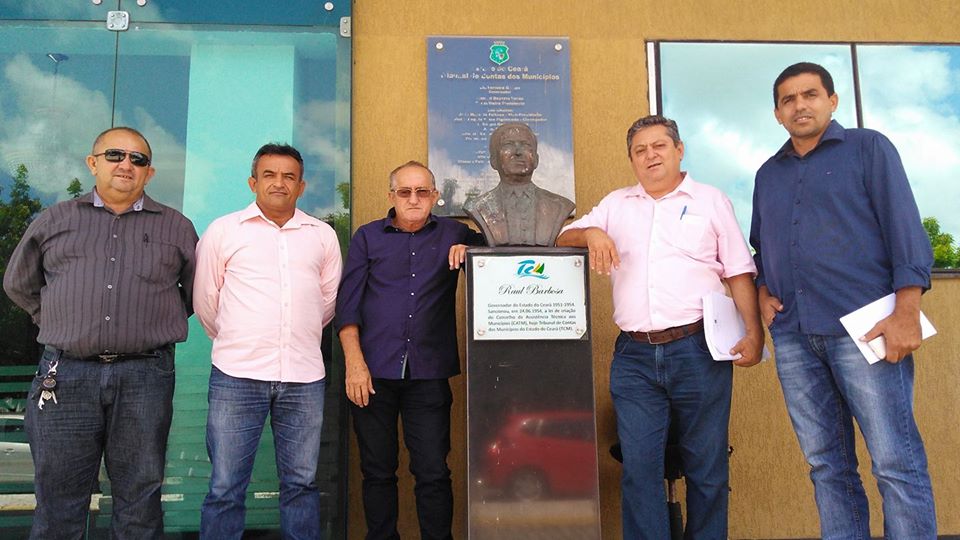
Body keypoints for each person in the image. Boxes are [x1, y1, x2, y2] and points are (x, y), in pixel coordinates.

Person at [750, 62, 937, 538]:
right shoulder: (767, 175)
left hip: (866, 330)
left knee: (895, 462)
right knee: (826, 466)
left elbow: (904, 228)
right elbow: (761, 246)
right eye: (788, 99)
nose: (800, 105)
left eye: (810, 94)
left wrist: (907, 311)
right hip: (795, 338)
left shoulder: (868, 148)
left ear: (832, 101)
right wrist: (763, 289)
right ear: (777, 113)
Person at [557, 115, 762, 539]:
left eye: (659, 146)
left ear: (679, 150)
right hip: (633, 358)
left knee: (706, 467)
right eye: (640, 150)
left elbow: (739, 271)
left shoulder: (710, 200)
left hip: (697, 350)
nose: (650, 155)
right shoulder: (617, 204)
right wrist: (592, 232)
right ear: (632, 159)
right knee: (639, 469)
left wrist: (754, 333)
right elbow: (562, 237)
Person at [2, 127, 198, 539]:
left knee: (140, 498)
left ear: (149, 172)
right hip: (66, 375)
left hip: (145, 376)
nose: (126, 164)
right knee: (59, 500)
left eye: (138, 159)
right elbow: (18, 283)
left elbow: (195, 293)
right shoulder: (55, 220)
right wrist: (57, 319)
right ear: (93, 163)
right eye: (114, 155)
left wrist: (149, 321)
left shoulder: (176, 227)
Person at [193, 143, 342, 538]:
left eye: (289, 176)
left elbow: (326, 302)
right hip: (236, 376)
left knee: (302, 485)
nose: (279, 183)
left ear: (301, 186)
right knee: (226, 486)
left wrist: (294, 336)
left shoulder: (322, 236)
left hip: (303, 377)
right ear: (253, 182)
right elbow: (206, 300)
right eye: (270, 175)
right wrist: (239, 338)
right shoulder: (224, 230)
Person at [335, 161, 484, 540]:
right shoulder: (368, 237)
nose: (413, 199)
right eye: (405, 192)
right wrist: (354, 364)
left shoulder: (453, 232)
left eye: (422, 192)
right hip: (372, 374)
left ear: (435, 196)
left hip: (429, 374)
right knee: (377, 472)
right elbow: (347, 307)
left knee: (433, 472)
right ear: (392, 196)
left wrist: (472, 248)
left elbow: (499, 248)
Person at [465, 122, 574, 246]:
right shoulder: (478, 207)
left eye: (525, 145)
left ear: (536, 160)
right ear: (493, 160)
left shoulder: (559, 206)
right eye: (508, 144)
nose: (518, 152)